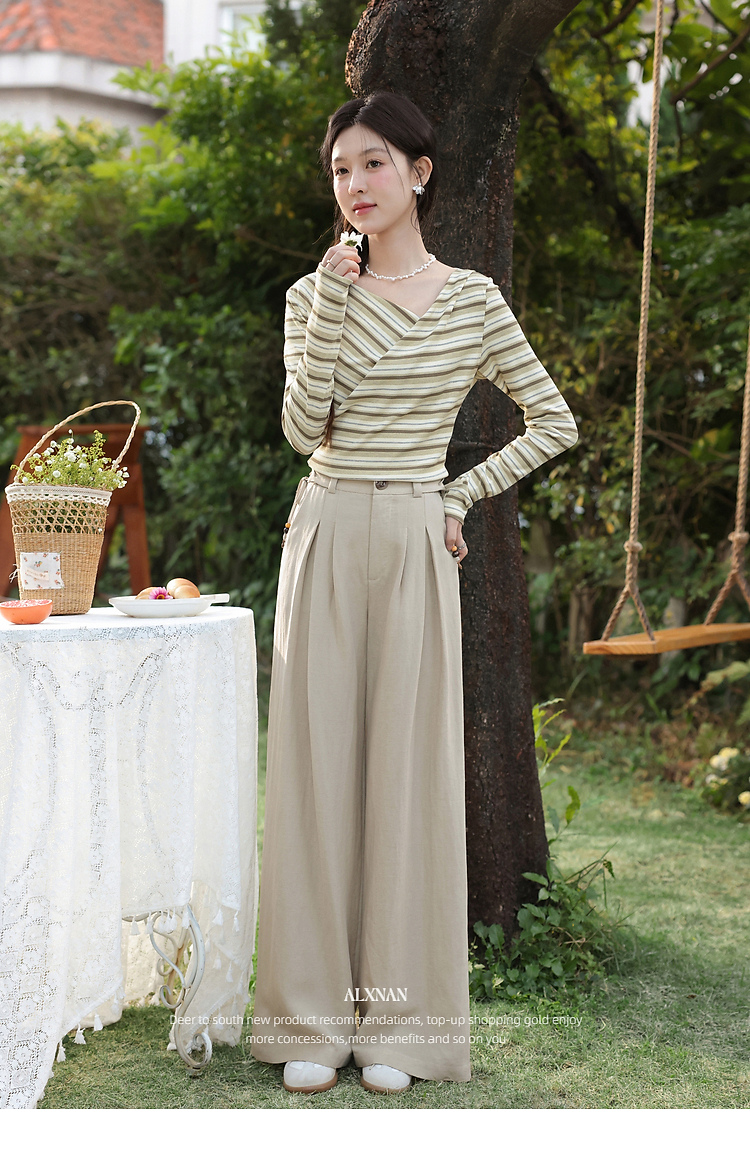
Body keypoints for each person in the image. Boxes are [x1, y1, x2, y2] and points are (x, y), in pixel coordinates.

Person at [250, 90, 578, 1095]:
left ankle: (401, 1026)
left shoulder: (474, 300)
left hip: (413, 537)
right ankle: (309, 1022)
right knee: (313, 776)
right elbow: (302, 429)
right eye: (341, 169)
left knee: (407, 777)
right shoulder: (314, 294)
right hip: (325, 528)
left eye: (374, 163)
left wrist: (460, 492)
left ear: (419, 173)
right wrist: (331, 295)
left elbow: (554, 420)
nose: (356, 183)